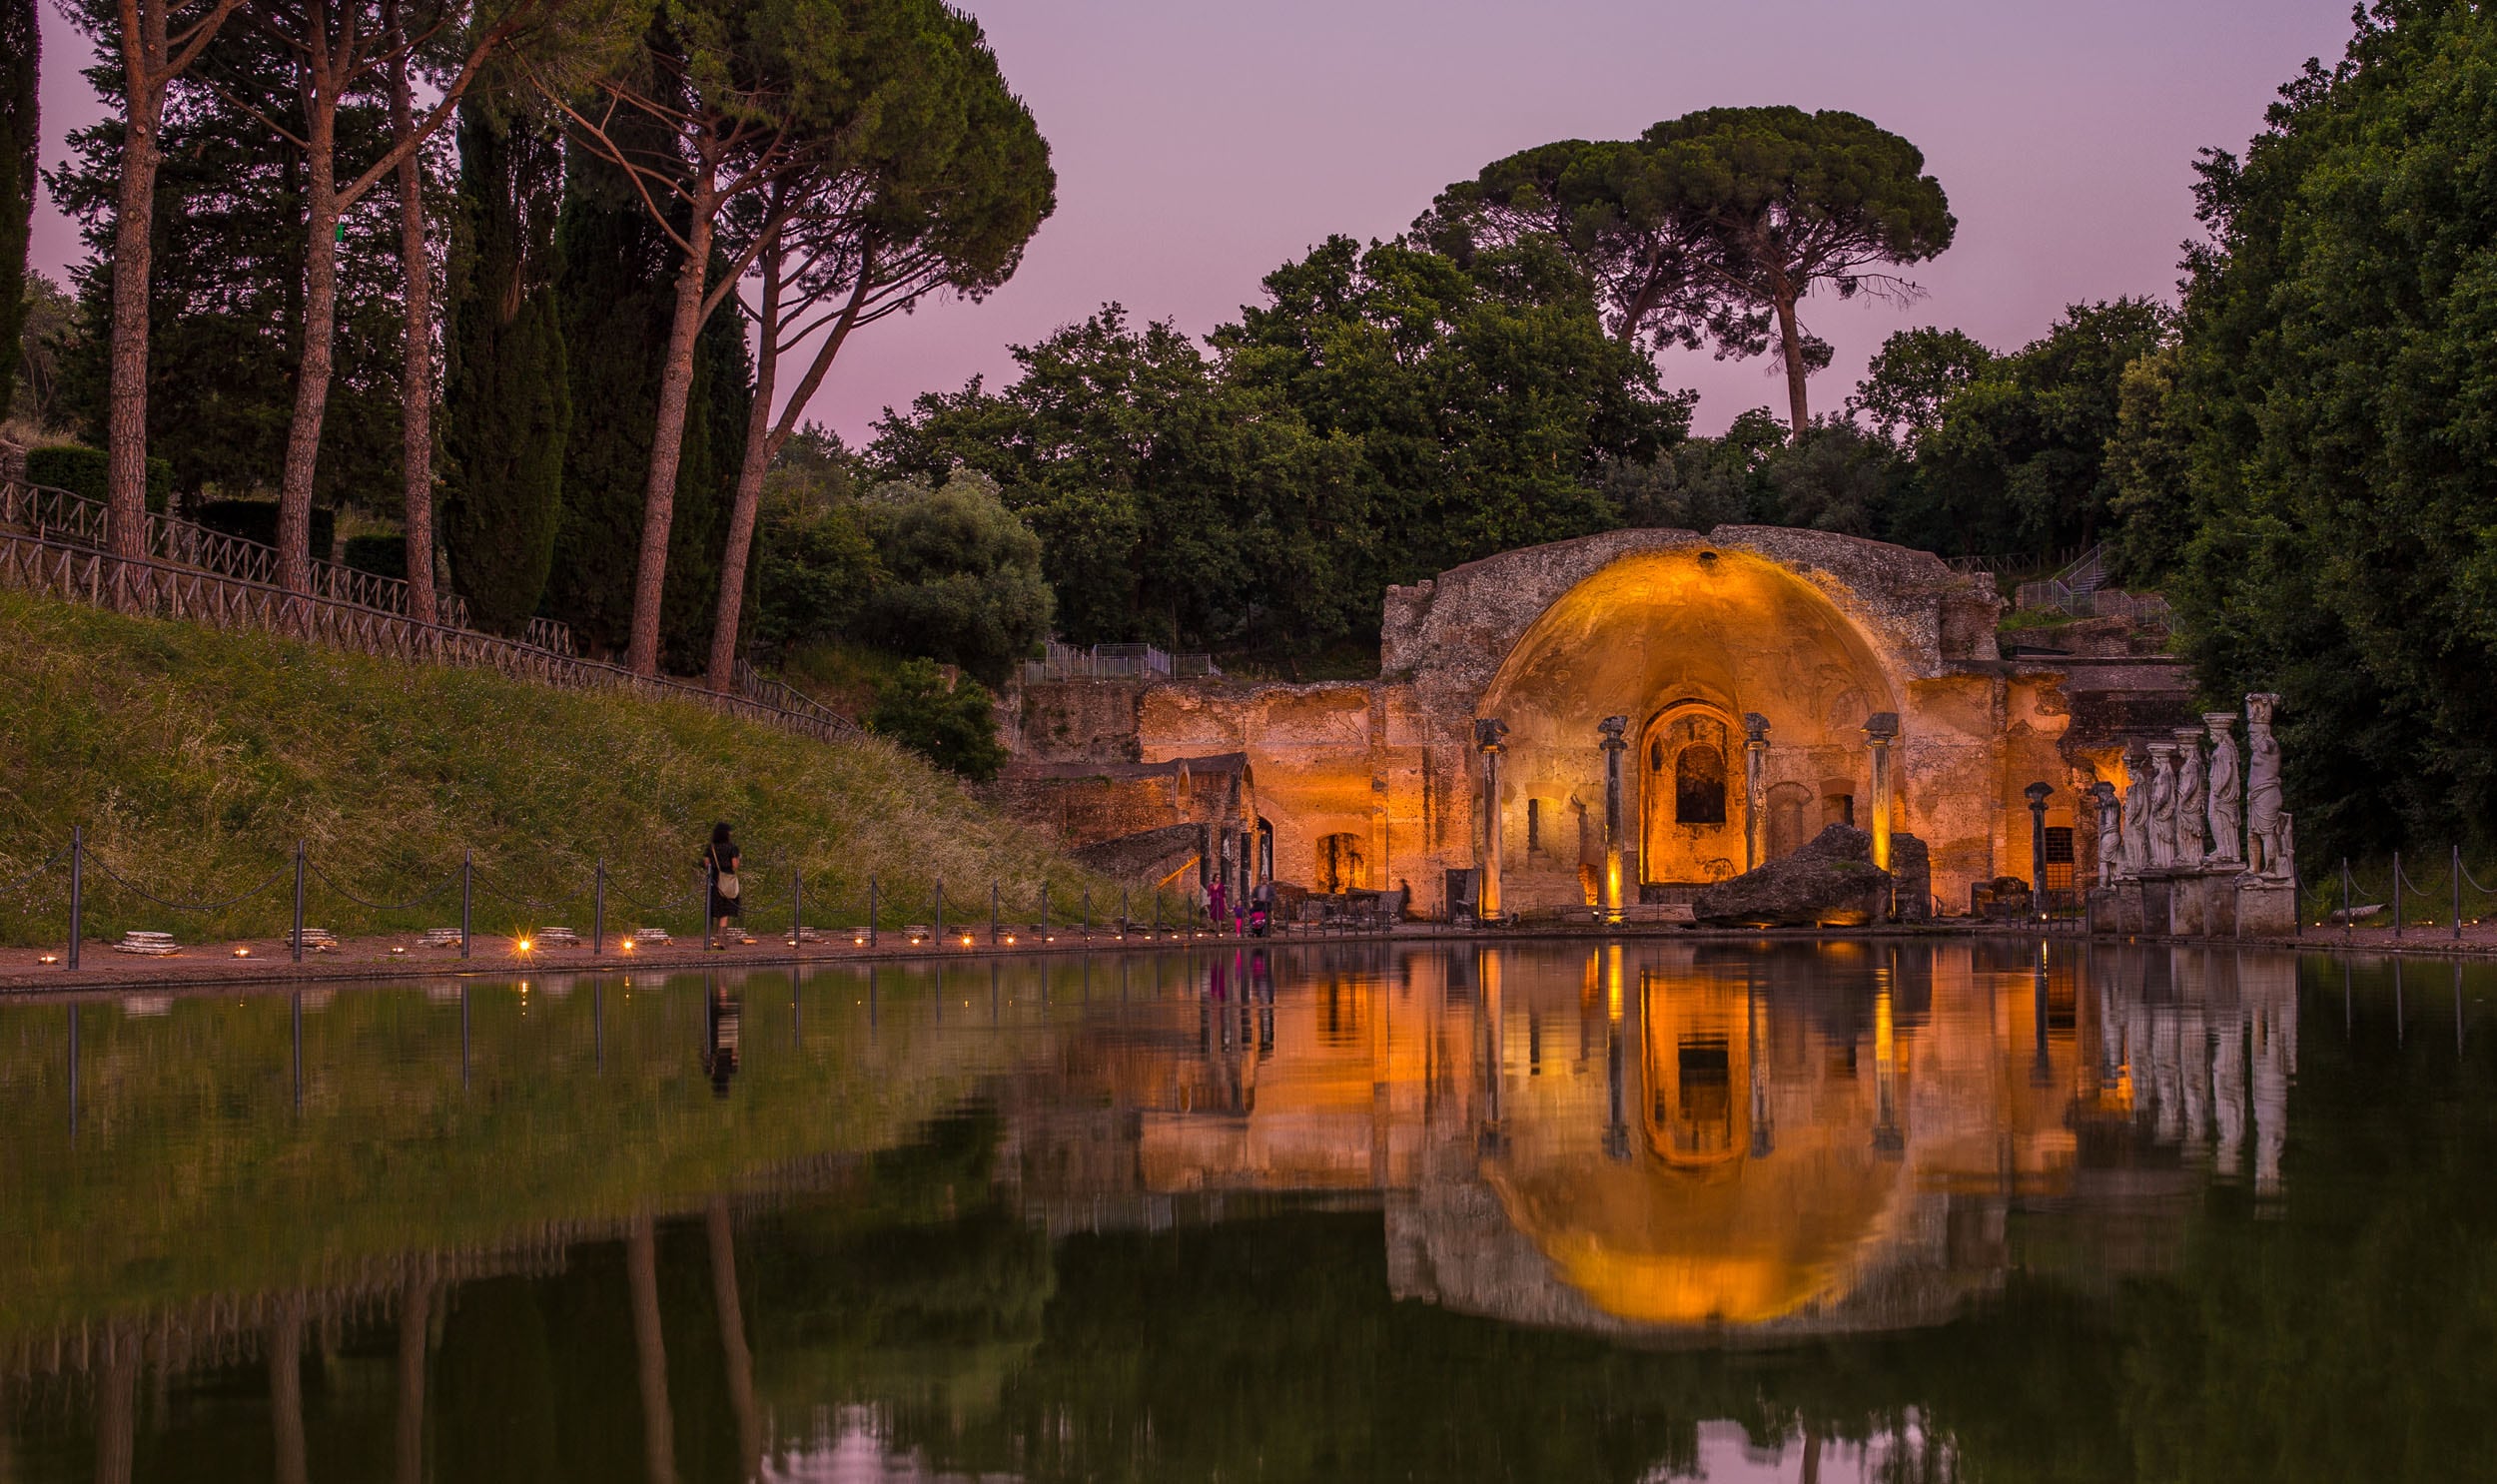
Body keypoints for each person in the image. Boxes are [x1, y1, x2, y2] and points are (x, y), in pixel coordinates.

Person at [703, 822, 742, 950]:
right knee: (724, 912)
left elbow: (706, 863)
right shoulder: (731, 847)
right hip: (726, 880)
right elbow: (735, 865)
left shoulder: (711, 847)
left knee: (715, 909)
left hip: (713, 880)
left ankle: (713, 938)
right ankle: (721, 941)